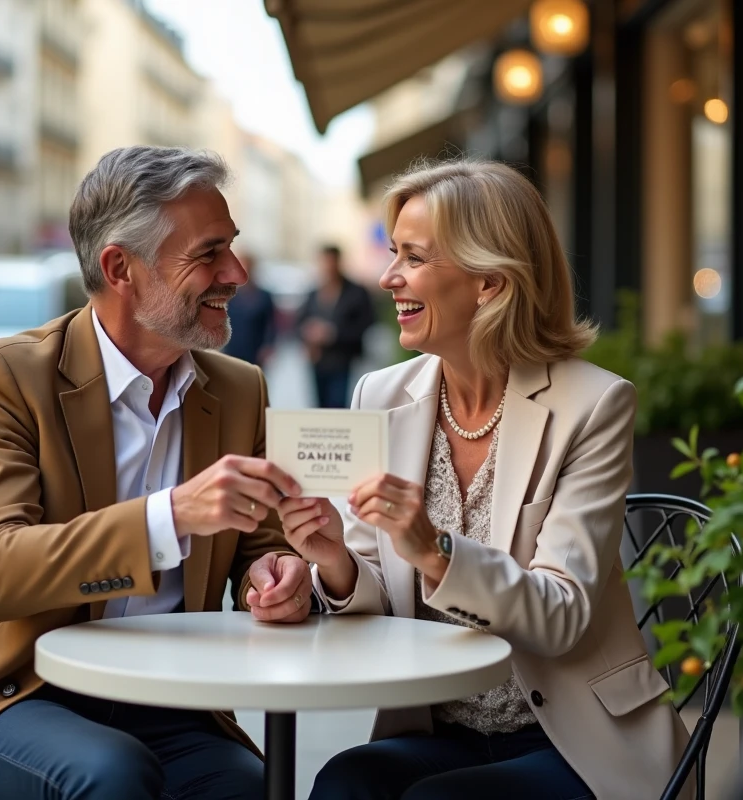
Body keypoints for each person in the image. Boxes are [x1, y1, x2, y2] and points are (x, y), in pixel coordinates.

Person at [0, 146, 313, 800]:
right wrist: (172, 515)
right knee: (110, 773)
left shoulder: (240, 389)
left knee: (253, 787)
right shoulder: (9, 375)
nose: (236, 272)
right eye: (209, 253)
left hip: (171, 701)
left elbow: (259, 546)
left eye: (231, 247)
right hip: (18, 693)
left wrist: (276, 575)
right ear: (121, 268)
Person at [279, 160, 692, 800]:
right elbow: (375, 593)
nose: (388, 278)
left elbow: (561, 615)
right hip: (437, 726)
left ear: (490, 283)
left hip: (572, 738)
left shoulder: (593, 406)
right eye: (393, 254)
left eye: (414, 257)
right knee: (343, 782)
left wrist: (435, 552)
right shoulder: (378, 396)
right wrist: (333, 561)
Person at [296, 244, 376, 408]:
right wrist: (309, 335)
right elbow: (299, 322)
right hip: (318, 360)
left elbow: (366, 324)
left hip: (344, 359)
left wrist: (332, 334)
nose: (328, 267)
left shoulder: (356, 292)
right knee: (319, 406)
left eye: (331, 262)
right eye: (324, 263)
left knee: (338, 405)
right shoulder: (314, 293)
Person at [222, 251, 277, 366]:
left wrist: (268, 345)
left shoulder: (264, 296)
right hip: (233, 349)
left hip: (255, 350)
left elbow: (271, 324)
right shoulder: (230, 295)